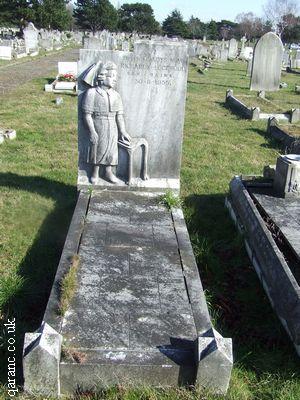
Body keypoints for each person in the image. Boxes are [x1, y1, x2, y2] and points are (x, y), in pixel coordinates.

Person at [82, 61, 131, 184]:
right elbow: (87, 115)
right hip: (98, 123)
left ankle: (109, 172)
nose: (115, 79)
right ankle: (95, 172)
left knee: (111, 150)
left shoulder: (116, 95)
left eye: (116, 77)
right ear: (102, 76)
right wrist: (92, 131)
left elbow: (119, 116)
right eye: (112, 76)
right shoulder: (92, 93)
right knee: (98, 149)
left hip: (112, 125)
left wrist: (123, 131)